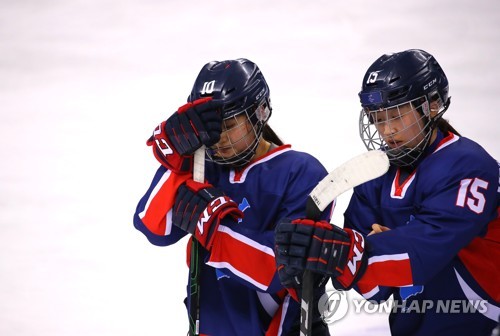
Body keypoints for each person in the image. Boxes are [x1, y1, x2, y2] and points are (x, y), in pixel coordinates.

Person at [274, 49, 500, 335]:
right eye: (377, 118)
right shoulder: (372, 174)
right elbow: (376, 289)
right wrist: (325, 261)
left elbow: (426, 251)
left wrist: (353, 253)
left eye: (396, 115)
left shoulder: (469, 165)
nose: (387, 130)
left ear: (431, 105)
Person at [133, 58, 332, 335]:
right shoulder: (203, 166)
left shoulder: (301, 171)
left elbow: (282, 269)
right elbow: (153, 227)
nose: (218, 138)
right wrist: (177, 158)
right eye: (211, 128)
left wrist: (216, 231)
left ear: (260, 112)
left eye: (230, 124)